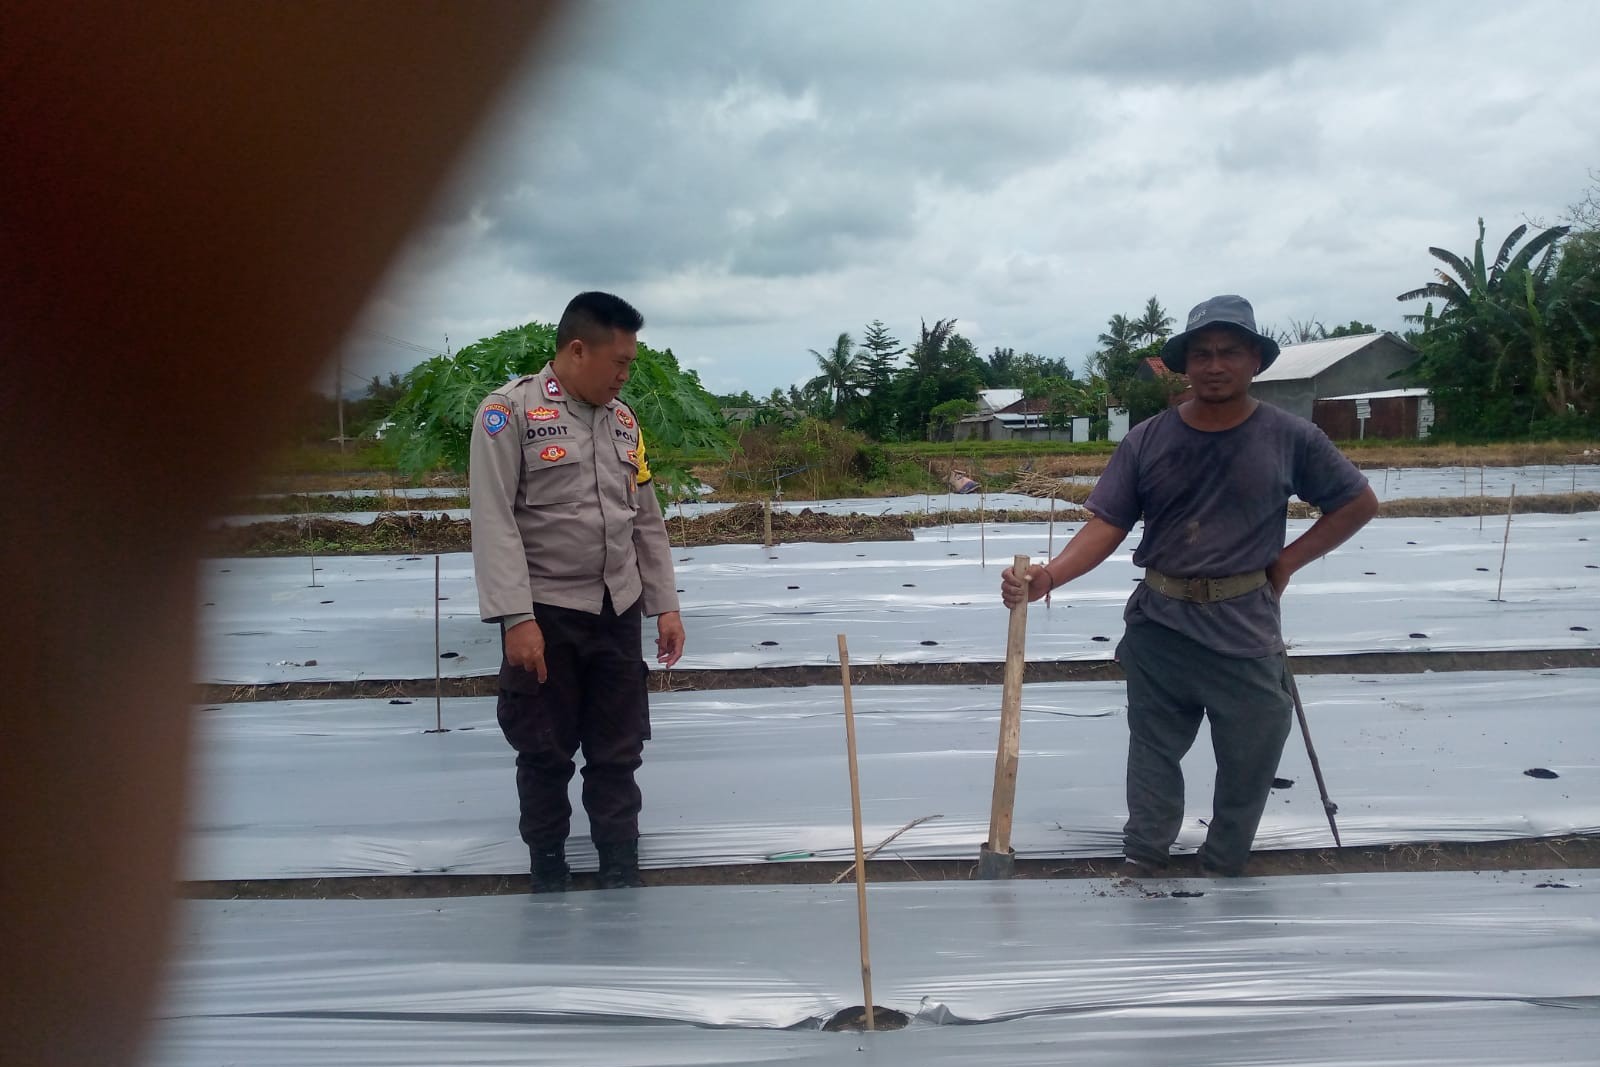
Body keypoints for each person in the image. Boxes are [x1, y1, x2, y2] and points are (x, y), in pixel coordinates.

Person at [1000, 295, 1379, 878]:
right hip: (1162, 623)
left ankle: (1224, 862)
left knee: (1250, 756)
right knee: (1153, 751)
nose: (1215, 364)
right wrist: (1048, 576)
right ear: (1185, 364)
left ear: (1255, 360)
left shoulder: (1290, 437)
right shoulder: (1148, 440)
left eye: (1230, 351)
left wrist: (1288, 562)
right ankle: (1145, 858)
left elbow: (1356, 502)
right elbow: (1107, 523)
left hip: (1244, 627)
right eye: (1201, 353)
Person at [470, 291, 686, 892]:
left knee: (619, 748)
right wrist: (516, 618)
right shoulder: (508, 415)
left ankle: (620, 861)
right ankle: (548, 863)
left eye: (630, 365)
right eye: (619, 362)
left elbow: (646, 518)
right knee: (544, 750)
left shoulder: (624, 422)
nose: (625, 374)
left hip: (617, 610)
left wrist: (665, 605)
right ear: (577, 349)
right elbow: (494, 521)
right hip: (546, 612)